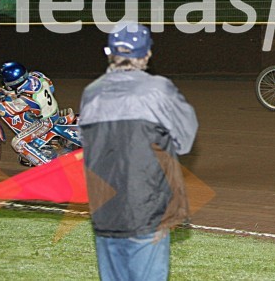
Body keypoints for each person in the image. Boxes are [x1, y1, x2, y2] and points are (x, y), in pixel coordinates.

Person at [80, 23, 198, 281]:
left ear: (109, 52)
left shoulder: (91, 93)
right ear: (146, 55)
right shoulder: (158, 89)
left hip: (104, 211)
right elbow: (185, 139)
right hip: (147, 209)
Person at [0, 61, 75, 166]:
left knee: (18, 143)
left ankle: (47, 166)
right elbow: (51, 87)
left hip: (45, 122)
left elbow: (9, 110)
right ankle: (45, 145)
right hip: (54, 110)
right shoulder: (37, 75)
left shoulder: (25, 98)